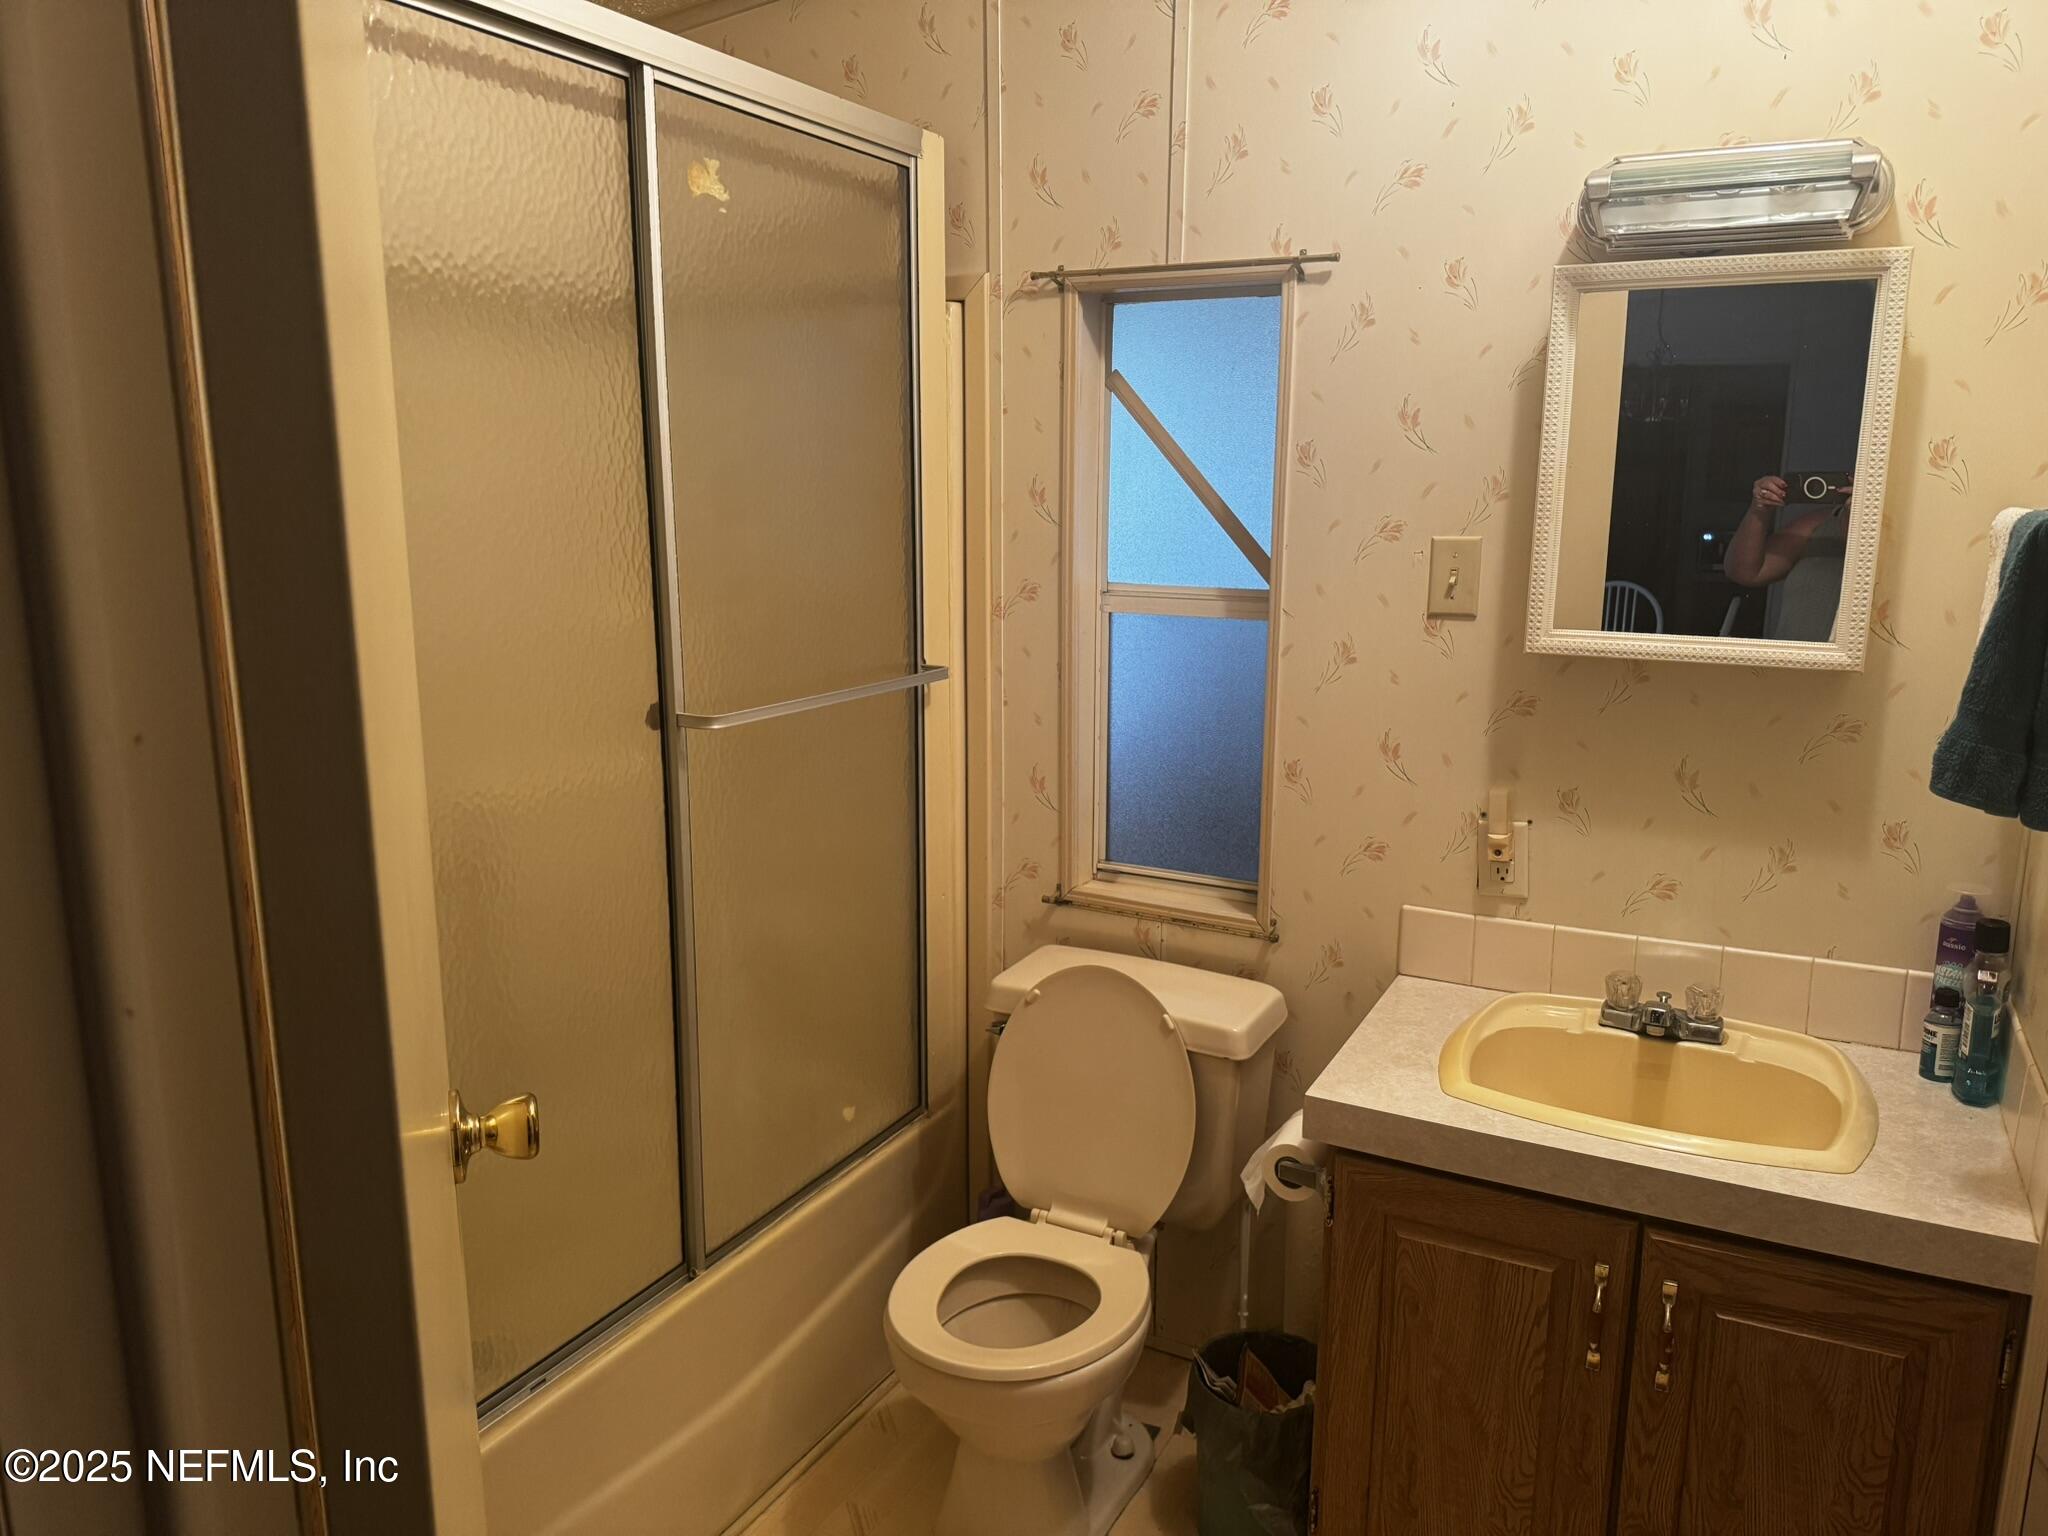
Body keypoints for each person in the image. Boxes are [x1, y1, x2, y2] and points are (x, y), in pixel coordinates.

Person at [1724, 474, 1848, 641]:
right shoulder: (1820, 524)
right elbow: (1745, 572)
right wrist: (1760, 508)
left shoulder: (1893, 540)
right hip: (1788, 663)